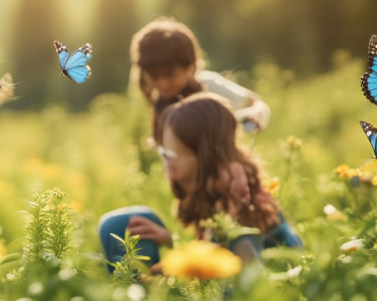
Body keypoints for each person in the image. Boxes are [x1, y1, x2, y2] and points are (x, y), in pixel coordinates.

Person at [97, 94, 301, 271]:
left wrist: (179, 271)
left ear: (203, 157)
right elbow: (215, 250)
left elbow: (247, 276)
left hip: (276, 293)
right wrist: (172, 242)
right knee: (121, 223)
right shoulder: (213, 190)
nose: (166, 164)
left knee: (116, 226)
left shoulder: (237, 200)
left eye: (169, 154)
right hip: (235, 287)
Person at [129, 17, 271, 141]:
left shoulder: (208, 85)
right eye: (154, 76)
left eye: (169, 75)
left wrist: (244, 118)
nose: (163, 84)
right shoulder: (154, 97)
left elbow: (257, 103)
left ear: (191, 66)